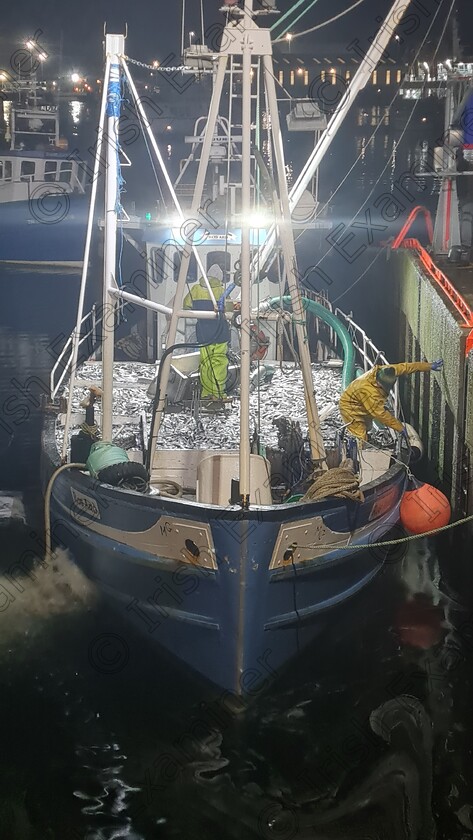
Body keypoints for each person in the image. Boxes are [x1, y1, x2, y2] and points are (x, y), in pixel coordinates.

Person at [339, 360, 443, 441]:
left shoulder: (387, 370)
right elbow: (381, 414)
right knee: (361, 436)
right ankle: (359, 461)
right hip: (350, 408)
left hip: (360, 403)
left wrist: (428, 366)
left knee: (368, 427)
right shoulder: (368, 391)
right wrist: (400, 428)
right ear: (379, 383)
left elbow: (406, 367)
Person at [183, 266, 233, 401]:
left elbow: (186, 306)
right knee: (219, 362)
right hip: (220, 333)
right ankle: (217, 394)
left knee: (205, 362)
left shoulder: (195, 289)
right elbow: (229, 310)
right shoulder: (222, 291)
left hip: (203, 333)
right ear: (220, 278)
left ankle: (206, 393)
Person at [456, 148, 473, 257]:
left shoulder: (463, 165)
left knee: (466, 218)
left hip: (467, 198)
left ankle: (465, 245)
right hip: (467, 197)